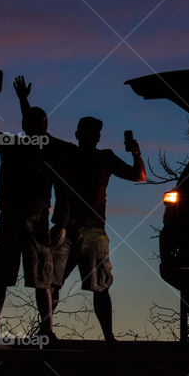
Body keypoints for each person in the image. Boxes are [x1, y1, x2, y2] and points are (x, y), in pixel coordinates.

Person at [0, 73, 70, 345]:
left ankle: (46, 330)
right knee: (2, 277)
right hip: (14, 219)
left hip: (35, 221)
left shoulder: (37, 148)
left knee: (42, 279)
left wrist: (60, 222)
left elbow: (63, 190)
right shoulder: (24, 146)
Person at [52, 117, 146, 342]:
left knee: (93, 285)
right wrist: (135, 153)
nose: (91, 137)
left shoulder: (95, 157)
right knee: (54, 282)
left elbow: (139, 176)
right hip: (72, 228)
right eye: (89, 133)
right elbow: (139, 176)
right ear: (80, 135)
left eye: (93, 134)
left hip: (85, 228)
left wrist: (135, 153)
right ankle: (105, 337)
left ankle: (108, 337)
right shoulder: (77, 155)